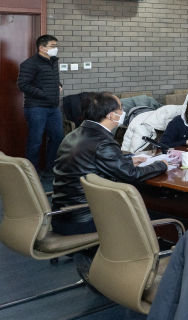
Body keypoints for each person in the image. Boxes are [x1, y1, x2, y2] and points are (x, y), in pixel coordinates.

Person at [52, 92, 173, 236]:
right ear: (111, 115)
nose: (123, 112)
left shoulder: (74, 134)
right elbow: (131, 174)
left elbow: (94, 160)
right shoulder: (103, 142)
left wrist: (127, 160)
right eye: (121, 108)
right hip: (85, 218)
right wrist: (161, 165)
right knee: (156, 217)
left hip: (63, 214)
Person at [17, 34, 63, 174]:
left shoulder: (53, 61)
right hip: (36, 108)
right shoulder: (30, 63)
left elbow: (52, 79)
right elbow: (23, 85)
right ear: (42, 48)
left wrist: (59, 85)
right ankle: (32, 173)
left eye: (56, 46)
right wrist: (45, 94)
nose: (55, 49)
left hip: (53, 108)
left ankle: (50, 169)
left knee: (58, 137)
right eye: (52, 46)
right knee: (35, 141)